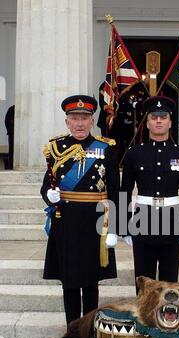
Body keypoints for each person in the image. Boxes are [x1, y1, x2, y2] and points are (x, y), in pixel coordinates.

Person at [41, 95, 119, 325]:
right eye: (74, 118)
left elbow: (115, 189)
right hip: (66, 221)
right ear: (67, 122)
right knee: (69, 280)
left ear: (92, 120)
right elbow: (47, 184)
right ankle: (72, 329)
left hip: (96, 222)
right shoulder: (55, 147)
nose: (80, 123)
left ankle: (90, 328)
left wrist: (116, 226)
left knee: (91, 280)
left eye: (84, 118)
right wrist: (49, 195)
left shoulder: (106, 147)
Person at [121, 96, 179, 291]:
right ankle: (144, 320)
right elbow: (125, 191)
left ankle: (166, 321)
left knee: (169, 283)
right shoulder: (134, 154)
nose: (159, 121)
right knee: (143, 282)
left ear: (170, 121)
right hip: (142, 219)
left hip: (172, 220)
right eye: (154, 117)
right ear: (147, 123)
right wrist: (122, 225)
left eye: (163, 117)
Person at [4, 105, 15, 169]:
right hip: (12, 134)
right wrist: (11, 131)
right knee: (12, 150)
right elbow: (7, 121)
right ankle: (10, 166)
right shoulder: (12, 108)